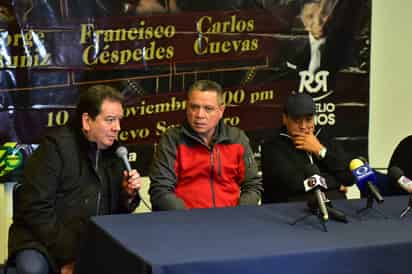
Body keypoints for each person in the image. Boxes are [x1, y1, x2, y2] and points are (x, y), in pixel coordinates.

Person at [8, 85, 142, 274]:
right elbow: (35, 209)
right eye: (110, 120)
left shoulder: (116, 154)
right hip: (41, 242)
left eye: (119, 120)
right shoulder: (55, 148)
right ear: (87, 121)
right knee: (32, 270)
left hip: (89, 244)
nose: (117, 128)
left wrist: (127, 197)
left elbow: (115, 216)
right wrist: (71, 257)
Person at [149, 80, 262, 210]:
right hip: (184, 222)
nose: (199, 115)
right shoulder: (171, 140)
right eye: (194, 107)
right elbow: (160, 190)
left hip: (231, 221)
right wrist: (188, 219)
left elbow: (253, 186)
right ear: (186, 107)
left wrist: (238, 214)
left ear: (221, 110)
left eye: (208, 109)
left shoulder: (237, 138)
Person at [261, 92, 353, 203]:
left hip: (334, 207)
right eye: (297, 121)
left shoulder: (324, 138)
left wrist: (320, 150)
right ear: (285, 119)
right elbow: (291, 185)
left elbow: (349, 177)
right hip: (290, 212)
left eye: (308, 120)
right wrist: (336, 184)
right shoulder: (271, 145)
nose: (303, 127)